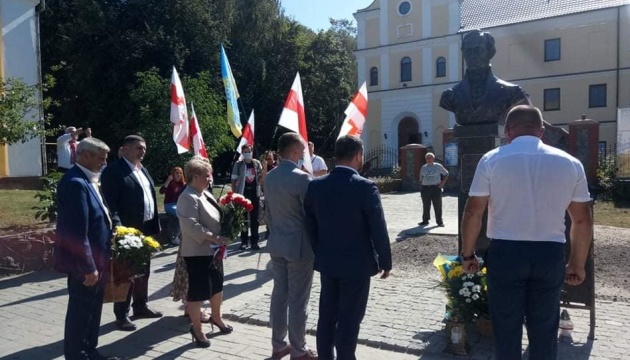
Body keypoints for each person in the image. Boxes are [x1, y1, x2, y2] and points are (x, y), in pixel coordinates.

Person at [460, 105, 593, 360]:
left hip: (506, 253)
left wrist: (468, 255)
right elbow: (582, 220)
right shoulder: (570, 163)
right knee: (544, 328)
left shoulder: (491, 160)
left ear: (508, 131)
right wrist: (577, 263)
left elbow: (473, 212)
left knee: (506, 327)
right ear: (541, 131)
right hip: (549, 253)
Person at [304, 135, 392, 360]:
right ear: (358, 156)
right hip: (357, 265)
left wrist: (320, 250)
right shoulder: (365, 187)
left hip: (329, 262)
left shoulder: (316, 186)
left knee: (327, 315)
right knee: (350, 318)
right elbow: (378, 228)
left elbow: (309, 225)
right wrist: (385, 262)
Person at [54, 137, 120, 360]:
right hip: (85, 263)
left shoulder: (89, 179)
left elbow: (101, 213)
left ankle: (90, 351)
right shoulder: (75, 183)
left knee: (93, 310)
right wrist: (88, 267)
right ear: (85, 155)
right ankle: (77, 355)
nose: (104, 163)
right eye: (101, 158)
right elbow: (76, 231)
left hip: (98, 258)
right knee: (80, 312)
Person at [100, 135, 162, 331]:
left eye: (144, 148)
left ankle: (141, 306)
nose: (142, 151)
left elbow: (149, 196)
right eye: (138, 148)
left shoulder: (142, 169)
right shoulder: (114, 171)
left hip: (145, 229)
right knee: (125, 274)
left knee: (143, 271)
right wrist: (118, 228)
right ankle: (122, 314)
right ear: (125, 149)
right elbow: (110, 202)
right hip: (127, 230)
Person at [264, 133, 317, 360]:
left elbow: (268, 214)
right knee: (298, 300)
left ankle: (278, 345)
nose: (304, 155)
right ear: (294, 152)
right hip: (299, 248)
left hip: (276, 243)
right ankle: (298, 349)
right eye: (302, 151)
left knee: (280, 295)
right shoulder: (302, 179)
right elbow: (312, 215)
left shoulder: (270, 177)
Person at [177, 158, 232, 348]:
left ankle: (217, 318)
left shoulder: (204, 193)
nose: (210, 178)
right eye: (207, 175)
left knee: (216, 287)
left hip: (214, 252)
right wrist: (214, 238)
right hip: (197, 253)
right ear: (195, 176)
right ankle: (197, 330)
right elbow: (191, 226)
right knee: (198, 293)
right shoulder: (187, 197)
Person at [231, 144, 264, 250]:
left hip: (255, 194)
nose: (247, 153)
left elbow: (262, 178)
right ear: (242, 153)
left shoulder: (257, 163)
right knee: (243, 219)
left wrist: (265, 167)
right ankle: (244, 242)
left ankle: (254, 241)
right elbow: (233, 180)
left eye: (249, 151)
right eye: (245, 152)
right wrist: (234, 193)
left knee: (255, 219)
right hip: (243, 194)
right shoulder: (239, 164)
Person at [419, 152, 449, 227]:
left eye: (430, 158)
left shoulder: (438, 166)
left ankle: (439, 221)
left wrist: (442, 183)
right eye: (427, 158)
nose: (428, 160)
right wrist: (422, 186)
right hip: (425, 188)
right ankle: (425, 220)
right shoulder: (424, 167)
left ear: (433, 159)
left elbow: (446, 173)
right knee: (426, 205)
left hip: (435, 188)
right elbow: (421, 178)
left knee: (438, 205)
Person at [160, 167, 186, 246]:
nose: (178, 175)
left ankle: (183, 236)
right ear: (173, 174)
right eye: (176, 173)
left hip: (179, 205)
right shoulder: (171, 183)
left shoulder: (183, 184)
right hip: (169, 205)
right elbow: (161, 191)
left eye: (180, 173)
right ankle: (174, 237)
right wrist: (168, 180)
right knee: (180, 214)